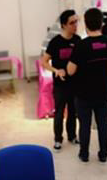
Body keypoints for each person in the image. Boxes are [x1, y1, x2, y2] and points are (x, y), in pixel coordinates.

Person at [67, 8, 107, 163]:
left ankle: (84, 154)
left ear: (86, 24)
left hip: (83, 94)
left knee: (84, 125)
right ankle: (103, 154)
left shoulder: (81, 46)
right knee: (103, 124)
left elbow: (70, 71)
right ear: (101, 23)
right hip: (103, 92)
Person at [41, 10, 80, 151]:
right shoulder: (55, 42)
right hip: (60, 85)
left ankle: (72, 136)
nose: (75, 25)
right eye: (72, 23)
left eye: (76, 21)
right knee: (59, 112)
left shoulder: (78, 40)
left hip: (75, 83)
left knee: (73, 111)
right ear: (64, 25)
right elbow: (44, 62)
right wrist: (56, 71)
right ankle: (58, 139)